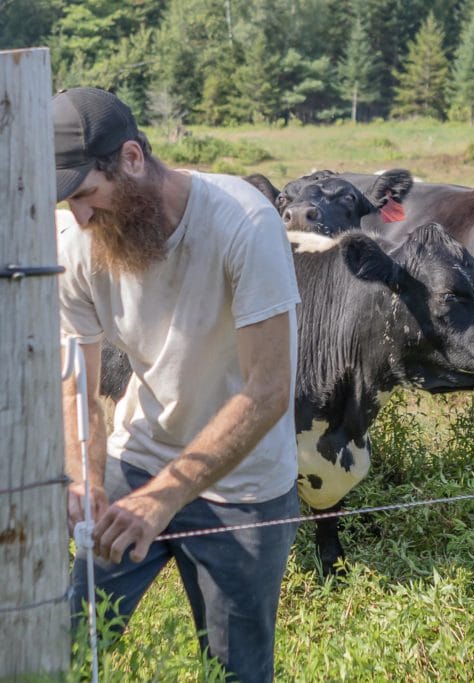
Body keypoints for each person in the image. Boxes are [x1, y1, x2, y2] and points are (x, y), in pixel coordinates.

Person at [55, 87, 300, 682]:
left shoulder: (244, 224)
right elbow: (77, 392)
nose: (80, 217)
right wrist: (85, 479)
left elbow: (269, 390)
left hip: (243, 488)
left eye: (87, 195)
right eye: (68, 203)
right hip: (137, 461)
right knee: (65, 646)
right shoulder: (81, 247)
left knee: (234, 670)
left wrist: (163, 499)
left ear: (132, 159)